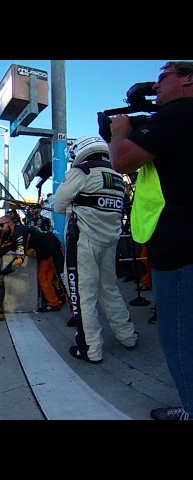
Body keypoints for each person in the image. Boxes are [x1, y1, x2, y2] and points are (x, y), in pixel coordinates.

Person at [109, 60, 193, 420]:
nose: (156, 88)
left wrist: (119, 130)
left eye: (162, 79)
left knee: (179, 336)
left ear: (189, 79)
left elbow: (124, 160)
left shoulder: (180, 113)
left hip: (179, 245)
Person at [54, 135, 138, 365]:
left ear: (81, 151)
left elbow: (59, 204)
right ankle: (128, 336)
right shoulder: (117, 177)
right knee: (109, 290)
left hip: (83, 243)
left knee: (83, 295)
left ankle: (90, 348)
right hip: (109, 242)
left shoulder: (82, 171)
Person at [0, 215, 68, 312]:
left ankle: (76, 313)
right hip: (44, 254)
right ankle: (54, 304)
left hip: (54, 250)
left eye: (1, 225)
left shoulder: (21, 233)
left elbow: (19, 260)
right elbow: (1, 251)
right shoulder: (12, 235)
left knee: (62, 280)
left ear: (10, 224)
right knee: (43, 278)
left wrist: (2, 273)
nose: (0, 229)